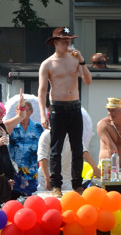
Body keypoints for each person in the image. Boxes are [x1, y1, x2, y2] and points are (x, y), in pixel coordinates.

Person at [38, 25, 93, 196]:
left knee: (77, 147)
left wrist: (82, 60)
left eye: (69, 41)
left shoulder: (75, 59)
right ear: (55, 42)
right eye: (64, 41)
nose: (67, 44)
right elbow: (42, 90)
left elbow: (88, 80)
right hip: (58, 108)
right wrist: (42, 114)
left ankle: (77, 184)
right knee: (56, 149)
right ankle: (56, 185)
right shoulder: (47, 64)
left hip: (75, 106)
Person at [8, 95, 43, 196]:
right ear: (16, 112)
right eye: (21, 109)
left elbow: (44, 148)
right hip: (15, 171)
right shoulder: (12, 127)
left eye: (26, 110)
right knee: (15, 199)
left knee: (31, 200)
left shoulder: (38, 127)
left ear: (31, 112)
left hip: (32, 171)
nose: (24, 113)